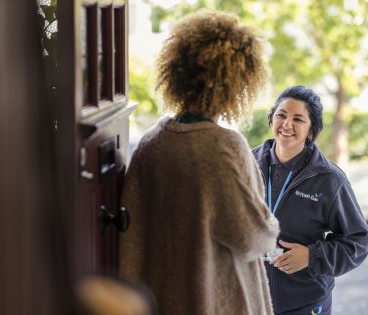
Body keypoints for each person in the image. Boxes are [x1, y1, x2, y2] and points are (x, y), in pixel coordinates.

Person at [119, 9, 279, 315]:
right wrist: (270, 227)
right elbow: (251, 236)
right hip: (215, 300)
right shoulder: (222, 146)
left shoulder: (152, 143)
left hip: (161, 297)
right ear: (235, 83)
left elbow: (132, 239)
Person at [252, 85, 368, 315]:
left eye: (298, 119)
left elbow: (358, 240)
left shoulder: (329, 180)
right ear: (271, 120)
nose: (287, 124)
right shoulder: (244, 166)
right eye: (281, 115)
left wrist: (312, 256)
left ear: (310, 131)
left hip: (304, 304)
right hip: (250, 299)